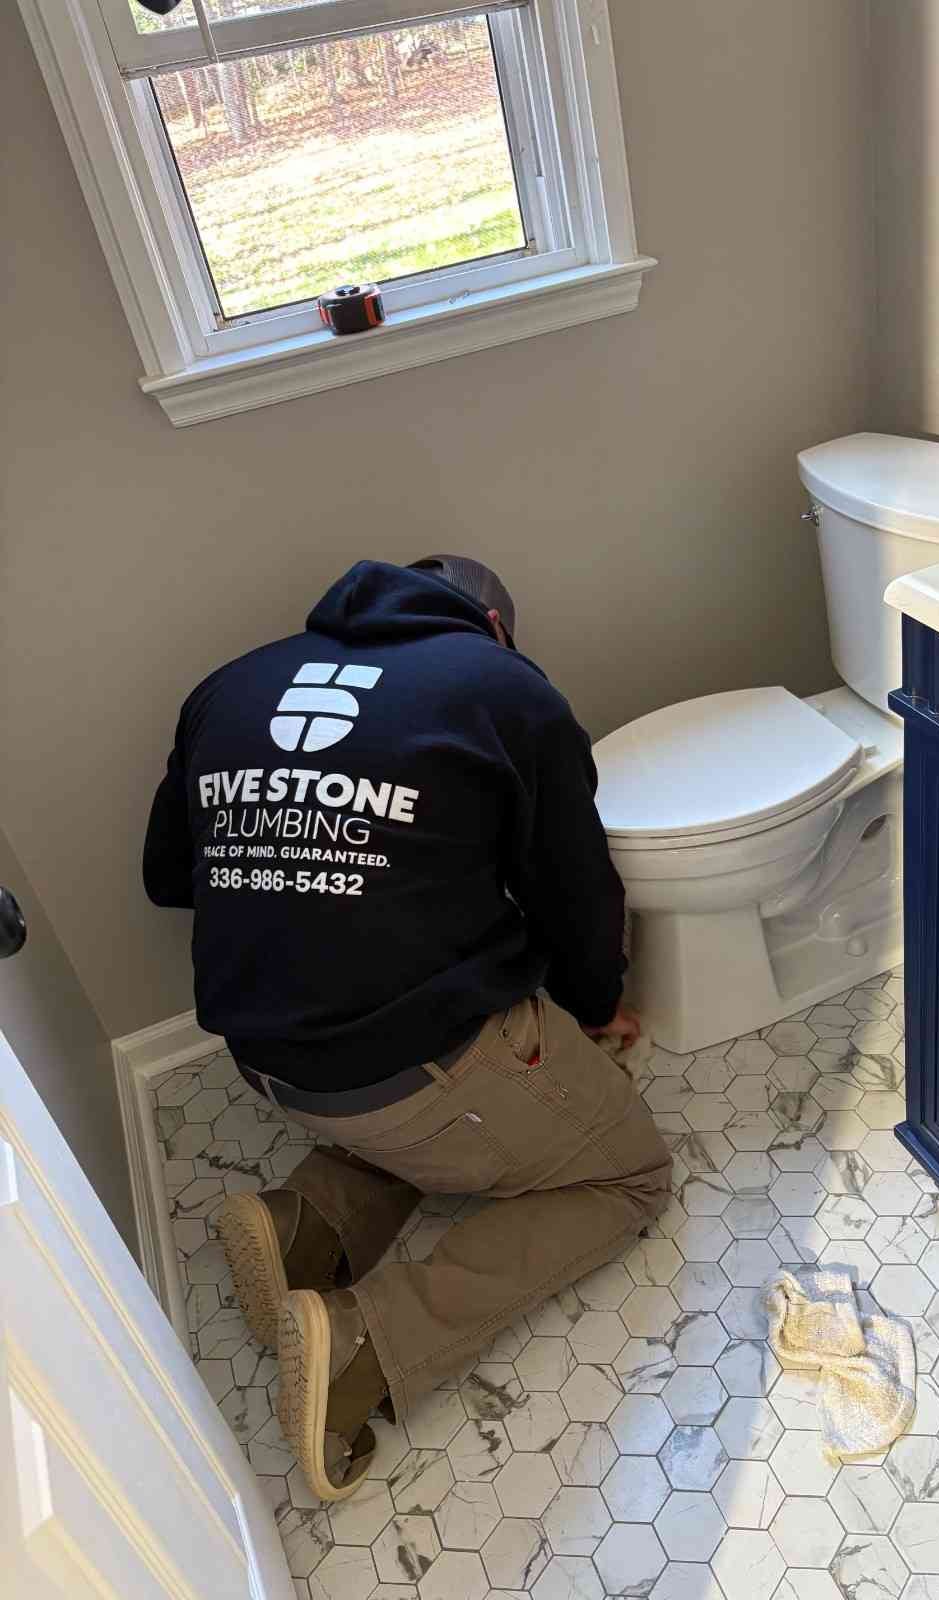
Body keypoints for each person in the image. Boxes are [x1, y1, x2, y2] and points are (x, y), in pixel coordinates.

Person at [143, 556, 671, 1502]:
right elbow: (577, 892)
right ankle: (368, 1342)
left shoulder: (229, 685)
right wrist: (596, 1006)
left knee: (426, 1098)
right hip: (409, 1077)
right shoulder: (507, 690)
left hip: (264, 1062)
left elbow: (167, 876)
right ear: (496, 627)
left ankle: (303, 1226)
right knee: (627, 1174)